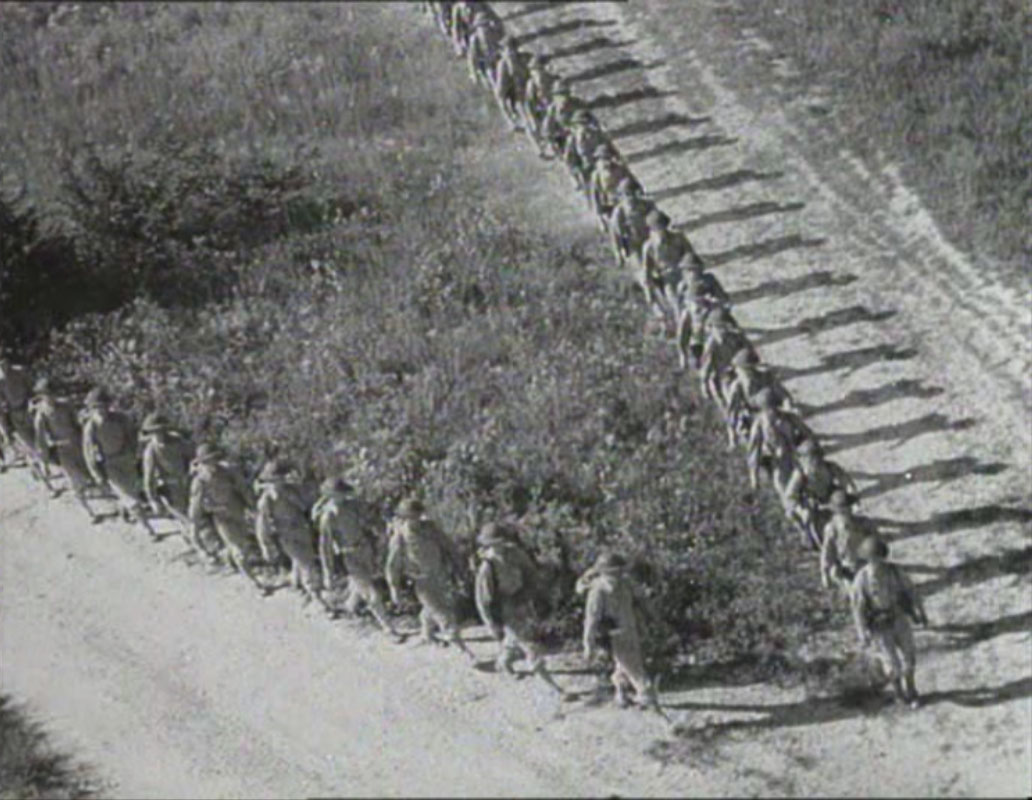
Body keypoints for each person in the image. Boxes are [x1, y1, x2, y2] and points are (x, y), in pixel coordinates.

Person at [474, 522, 568, 695]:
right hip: (505, 607)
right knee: (530, 644)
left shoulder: (515, 553)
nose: (499, 546)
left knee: (515, 639)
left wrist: (537, 595)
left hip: (523, 601)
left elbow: (530, 572)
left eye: (501, 541)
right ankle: (552, 686)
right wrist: (490, 624)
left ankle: (504, 662)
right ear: (487, 545)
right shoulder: (487, 567)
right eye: (494, 543)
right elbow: (483, 599)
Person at [385, 497, 475, 660]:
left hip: (440, 576)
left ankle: (426, 635)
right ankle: (463, 651)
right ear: (404, 517)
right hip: (421, 581)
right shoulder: (400, 536)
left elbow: (449, 547)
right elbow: (393, 565)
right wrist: (394, 588)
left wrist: (460, 568)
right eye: (411, 516)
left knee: (432, 608)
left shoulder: (431, 528)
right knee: (444, 615)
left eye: (417, 515)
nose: (416, 520)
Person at [315, 477, 404, 639]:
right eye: (337, 494)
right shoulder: (328, 517)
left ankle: (348, 607)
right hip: (350, 556)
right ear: (330, 495)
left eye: (342, 493)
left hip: (366, 549)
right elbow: (325, 547)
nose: (341, 497)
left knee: (363, 584)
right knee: (372, 593)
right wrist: (327, 572)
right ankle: (388, 628)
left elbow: (370, 516)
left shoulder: (352, 506)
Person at [851, 535, 928, 708]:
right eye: (872, 558)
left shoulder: (895, 572)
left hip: (899, 617)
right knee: (892, 664)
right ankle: (899, 693)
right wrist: (862, 632)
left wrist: (920, 612)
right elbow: (858, 608)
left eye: (879, 556)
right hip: (880, 625)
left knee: (910, 657)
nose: (876, 561)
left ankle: (911, 689)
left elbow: (911, 591)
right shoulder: (861, 580)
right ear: (867, 559)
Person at [578, 551, 659, 710]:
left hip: (624, 629)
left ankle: (641, 694)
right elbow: (592, 619)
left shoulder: (616, 585)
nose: (619, 573)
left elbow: (591, 619)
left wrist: (588, 643)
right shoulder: (602, 589)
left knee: (627, 663)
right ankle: (635, 693)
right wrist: (588, 643)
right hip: (617, 631)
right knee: (629, 662)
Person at [255, 458, 333, 615]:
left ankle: (297, 585)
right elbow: (262, 525)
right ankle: (318, 600)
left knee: (303, 559)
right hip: (287, 534)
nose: (279, 482)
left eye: (280, 478)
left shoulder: (292, 490)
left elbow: (306, 504)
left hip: (302, 529)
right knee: (307, 564)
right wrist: (266, 545)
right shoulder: (267, 500)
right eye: (274, 480)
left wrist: (294, 495)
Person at [188, 442, 269, 593]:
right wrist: (195, 531)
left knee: (244, 544)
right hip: (222, 517)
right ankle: (253, 582)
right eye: (207, 461)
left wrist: (252, 507)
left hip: (238, 511)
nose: (212, 464)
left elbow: (243, 489)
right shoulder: (200, 482)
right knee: (238, 550)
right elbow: (195, 508)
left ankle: (230, 559)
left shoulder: (228, 471)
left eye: (214, 459)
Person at [81, 387, 154, 538]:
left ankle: (123, 509)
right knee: (132, 499)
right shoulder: (91, 427)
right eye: (96, 407)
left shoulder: (120, 419)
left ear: (108, 406)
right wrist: (96, 474)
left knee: (133, 491)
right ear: (91, 409)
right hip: (110, 465)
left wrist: (135, 454)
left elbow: (132, 436)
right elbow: (88, 452)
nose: (100, 410)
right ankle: (148, 529)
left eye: (103, 406)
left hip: (127, 460)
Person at [31, 377, 102, 521]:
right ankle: (89, 512)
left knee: (91, 472)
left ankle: (103, 495)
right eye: (46, 393)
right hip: (63, 451)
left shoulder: (66, 405)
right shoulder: (41, 415)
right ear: (41, 395)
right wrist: (45, 462)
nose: (50, 396)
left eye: (52, 392)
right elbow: (41, 440)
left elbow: (78, 424)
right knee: (74, 480)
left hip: (78, 445)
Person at [781, 437, 859, 549]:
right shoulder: (800, 474)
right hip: (810, 500)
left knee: (842, 502)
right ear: (803, 459)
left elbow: (846, 482)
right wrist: (800, 508)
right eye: (811, 457)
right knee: (805, 516)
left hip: (829, 495)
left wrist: (852, 497)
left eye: (817, 456)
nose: (815, 460)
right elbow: (789, 496)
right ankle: (810, 538)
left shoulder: (830, 467)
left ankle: (849, 535)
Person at [140, 412, 193, 529]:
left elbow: (191, 455)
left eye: (162, 430)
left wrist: (193, 468)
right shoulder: (151, 450)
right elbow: (148, 477)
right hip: (170, 485)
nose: (159, 434)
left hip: (186, 480)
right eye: (155, 432)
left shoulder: (177, 440)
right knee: (182, 513)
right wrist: (153, 499)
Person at [640, 209, 692, 329]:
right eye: (657, 228)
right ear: (652, 229)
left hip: (683, 272)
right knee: (676, 303)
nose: (661, 231)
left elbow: (690, 255)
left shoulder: (678, 238)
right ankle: (682, 328)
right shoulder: (649, 247)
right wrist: (649, 292)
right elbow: (646, 271)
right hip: (666, 277)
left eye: (662, 227)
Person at [820, 490, 872, 587]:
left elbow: (875, 543)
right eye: (842, 511)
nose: (846, 512)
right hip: (845, 566)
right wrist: (825, 573)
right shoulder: (832, 528)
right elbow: (827, 551)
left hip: (863, 563)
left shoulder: (863, 523)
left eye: (848, 508)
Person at [608, 177, 652, 272]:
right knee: (642, 269)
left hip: (649, 239)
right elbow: (615, 234)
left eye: (633, 193)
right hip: (633, 245)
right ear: (622, 196)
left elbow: (658, 221)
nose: (631, 197)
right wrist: (618, 253)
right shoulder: (619, 212)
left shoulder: (647, 205)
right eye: (627, 194)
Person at [490, 35, 528, 131]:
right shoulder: (502, 65)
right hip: (513, 92)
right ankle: (512, 122)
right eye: (508, 49)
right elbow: (501, 88)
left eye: (513, 48)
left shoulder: (524, 57)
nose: (511, 52)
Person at [519, 54, 555, 156]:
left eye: (541, 69)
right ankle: (541, 149)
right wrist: (532, 118)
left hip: (551, 109)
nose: (538, 73)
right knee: (536, 128)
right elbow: (529, 103)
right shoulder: (532, 84)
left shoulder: (551, 79)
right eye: (536, 70)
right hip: (539, 110)